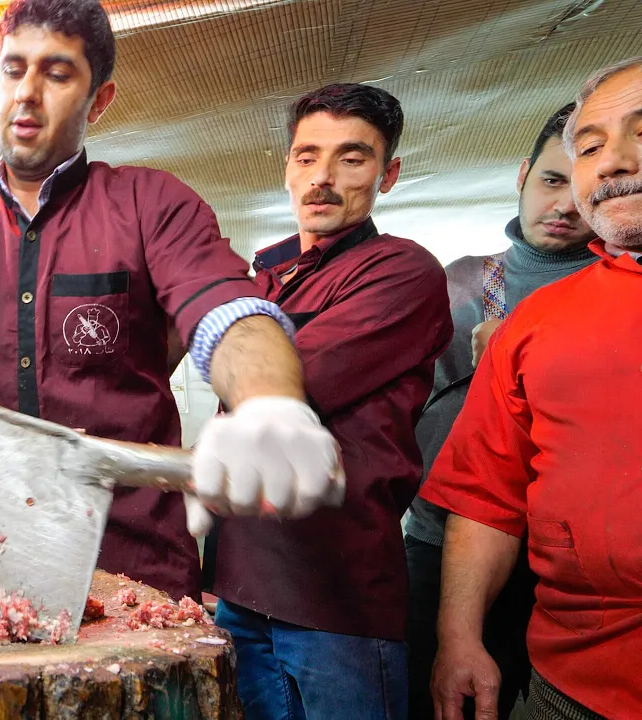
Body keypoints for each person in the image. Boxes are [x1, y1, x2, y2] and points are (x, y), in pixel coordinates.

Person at [0, 0, 344, 604]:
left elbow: (226, 312)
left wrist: (269, 403)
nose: (26, 93)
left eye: (56, 73)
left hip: (134, 572)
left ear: (98, 100)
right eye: (11, 69)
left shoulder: (150, 204)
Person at [201, 83, 452, 720]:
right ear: (287, 166)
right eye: (307, 157)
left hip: (333, 603)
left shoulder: (401, 272)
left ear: (388, 174)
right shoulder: (270, 276)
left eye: (353, 158)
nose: (323, 179)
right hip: (240, 588)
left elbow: (283, 383)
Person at [421, 56, 642, 720]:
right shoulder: (533, 318)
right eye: (591, 147)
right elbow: (487, 492)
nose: (611, 162)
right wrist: (458, 635)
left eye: (640, 132)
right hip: (568, 682)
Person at [403, 103, 598, 720]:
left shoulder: (616, 293)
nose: (563, 204)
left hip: (560, 561)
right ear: (520, 176)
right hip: (437, 538)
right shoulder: (460, 282)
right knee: (421, 693)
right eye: (550, 180)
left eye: (579, 186)